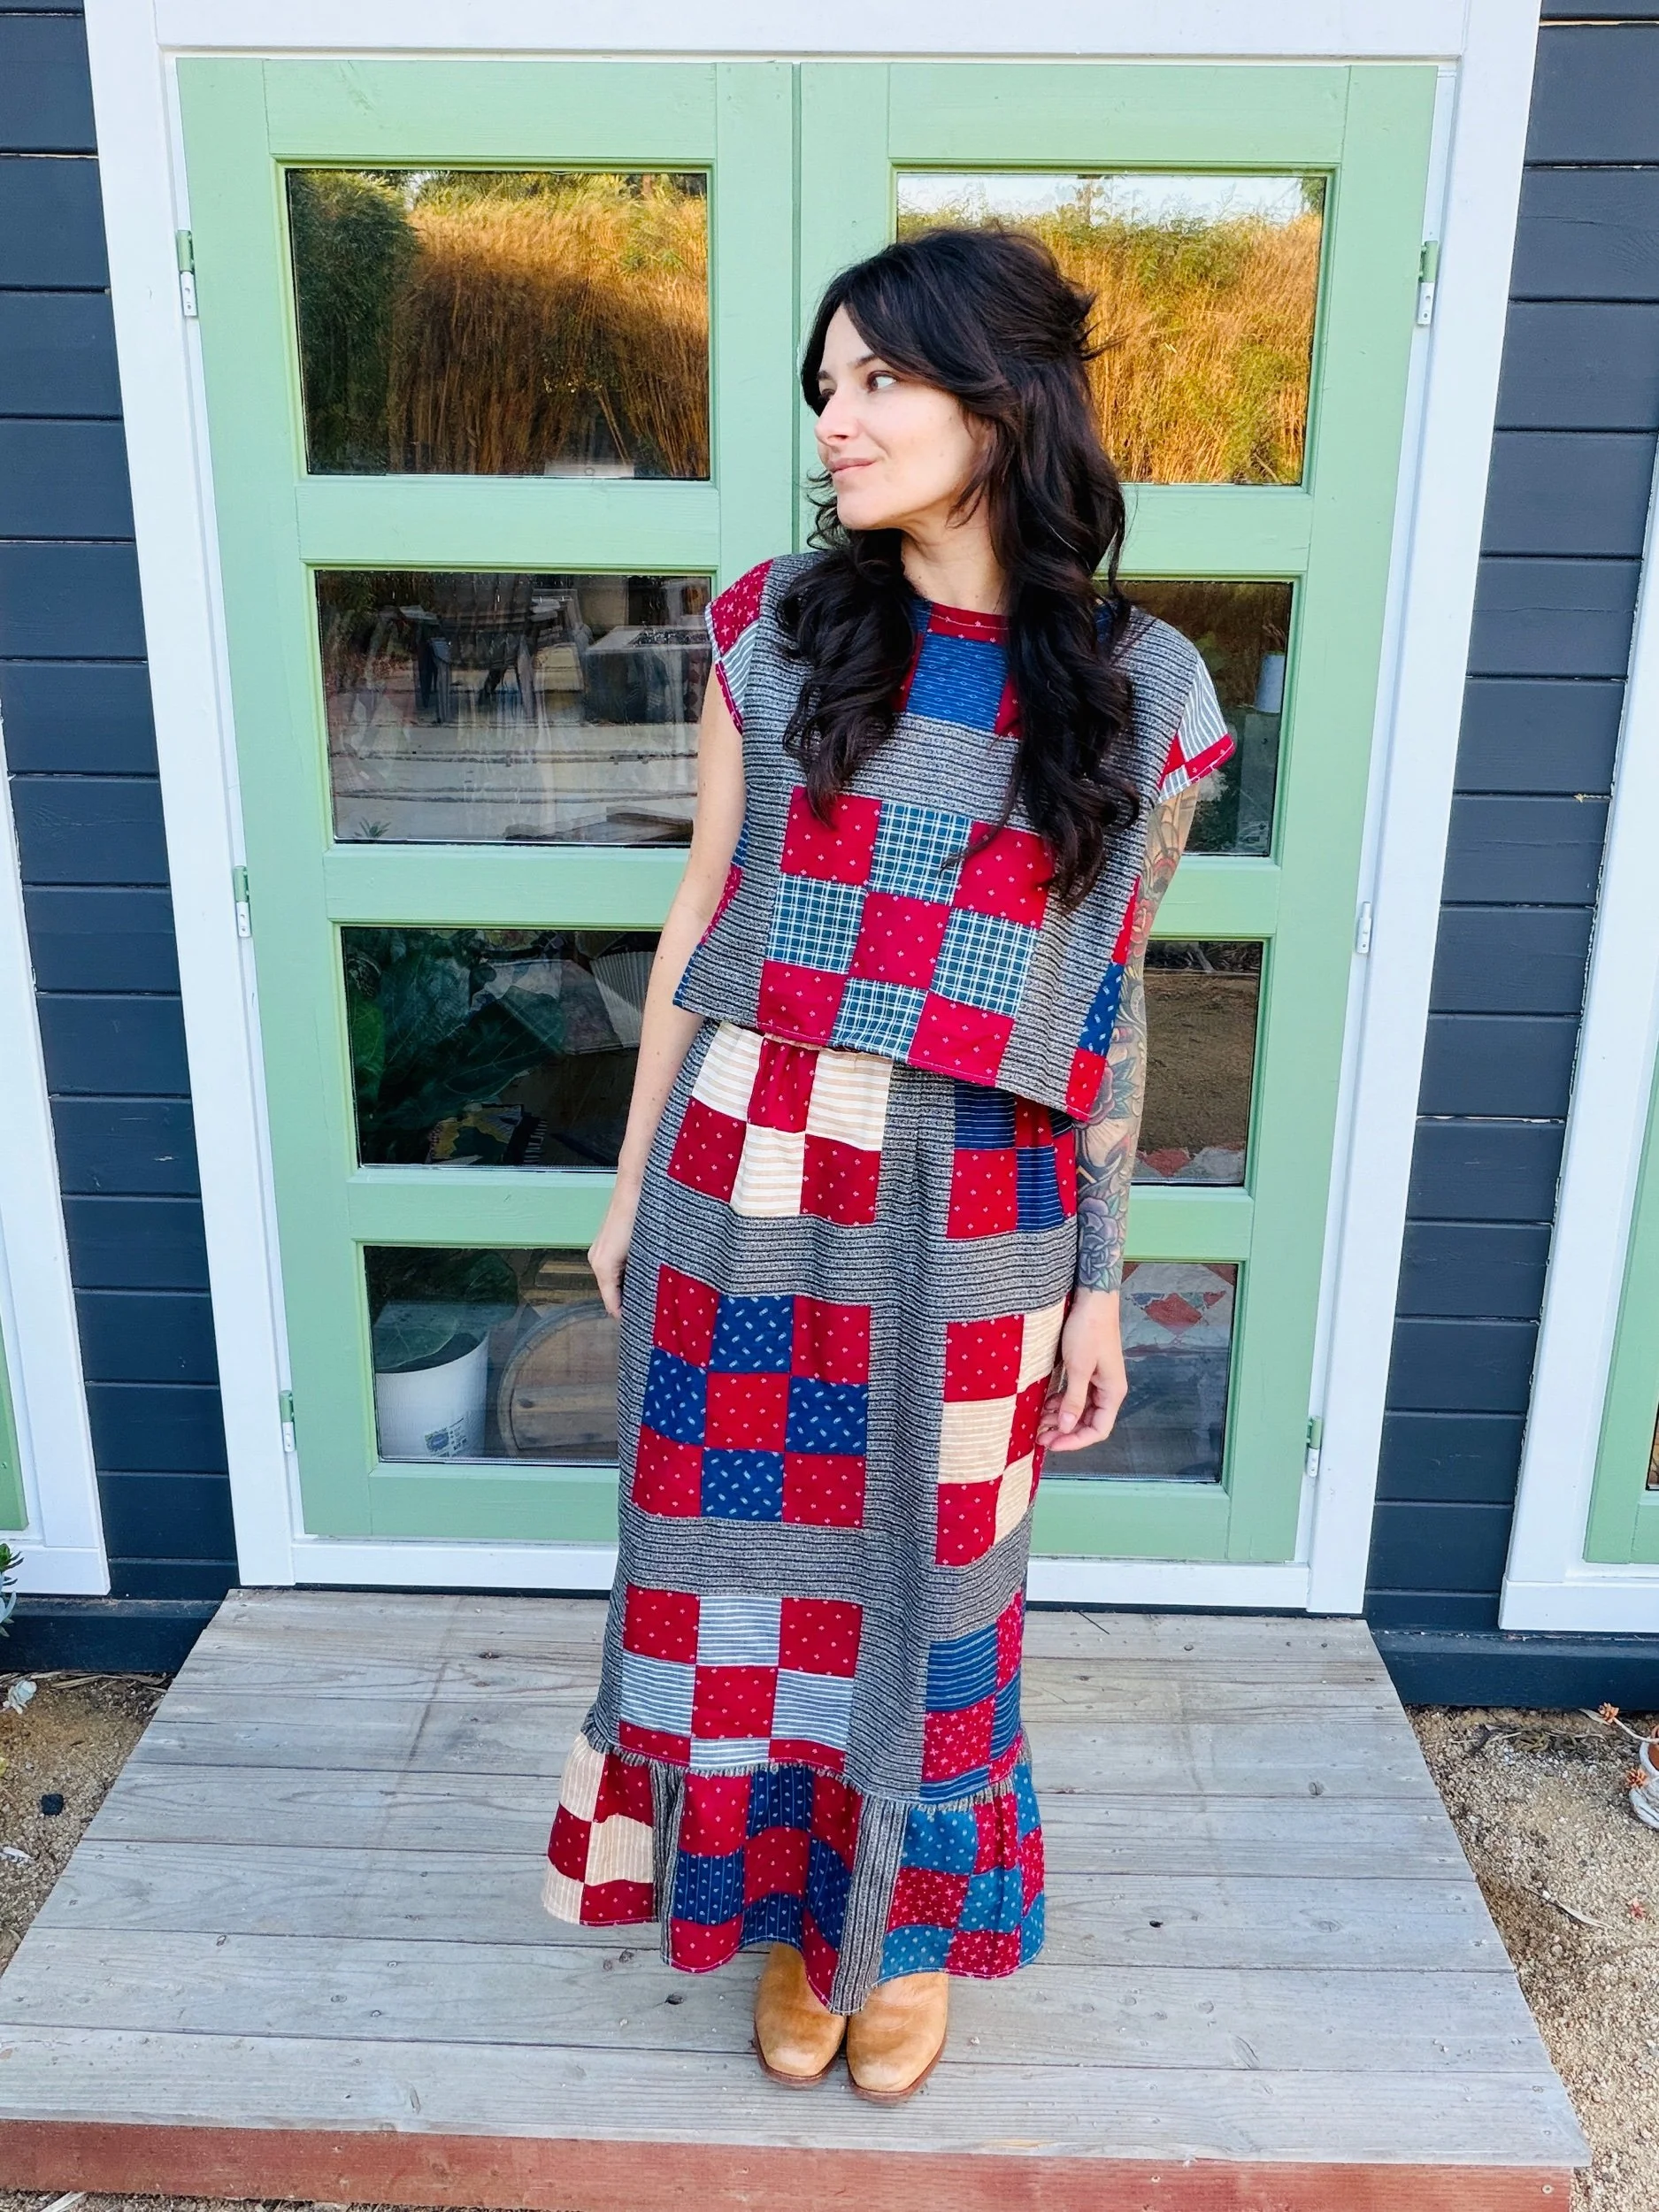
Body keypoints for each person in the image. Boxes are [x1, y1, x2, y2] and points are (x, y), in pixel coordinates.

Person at [543, 226, 1232, 2101]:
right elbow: (706, 904)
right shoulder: (773, 627)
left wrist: (1100, 1279)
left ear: (1000, 400)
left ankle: (901, 1932)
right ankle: (791, 1921)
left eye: (879, 381)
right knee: (737, 1567)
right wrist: (628, 1185)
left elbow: (1106, 1003)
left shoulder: (1144, 684)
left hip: (983, 1198)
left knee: (940, 1586)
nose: (835, 421)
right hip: (751, 1165)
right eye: (825, 386)